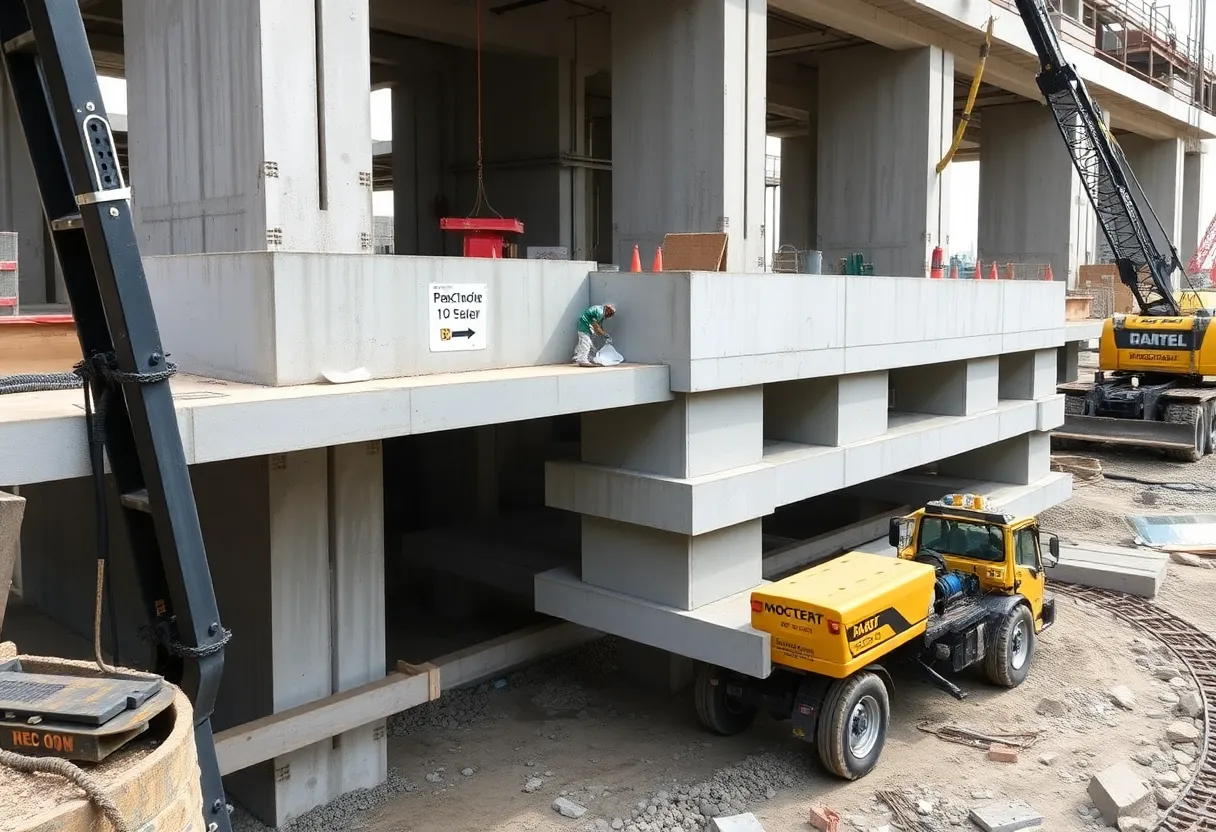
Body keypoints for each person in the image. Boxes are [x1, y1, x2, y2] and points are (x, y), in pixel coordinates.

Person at [572, 302, 615, 367]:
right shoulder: (600, 313)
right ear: (607, 310)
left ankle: (579, 358)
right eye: (610, 313)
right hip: (584, 326)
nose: (609, 316)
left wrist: (603, 333)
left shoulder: (599, 309)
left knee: (583, 343)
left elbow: (599, 327)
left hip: (583, 325)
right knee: (586, 344)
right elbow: (596, 327)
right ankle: (582, 360)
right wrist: (605, 335)